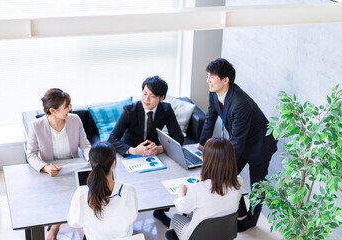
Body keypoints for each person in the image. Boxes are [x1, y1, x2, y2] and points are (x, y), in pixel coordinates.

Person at [197, 58, 278, 232]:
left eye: (212, 76)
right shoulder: (214, 93)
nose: (208, 80)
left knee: (257, 186)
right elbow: (210, 118)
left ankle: (251, 221)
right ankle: (240, 214)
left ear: (225, 80)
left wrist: (219, 162)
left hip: (259, 146)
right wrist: (203, 145)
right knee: (225, 174)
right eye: (208, 76)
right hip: (241, 141)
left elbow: (237, 141)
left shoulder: (241, 103)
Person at [108, 75, 184, 227]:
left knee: (167, 175)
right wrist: (133, 150)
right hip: (131, 153)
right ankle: (124, 215)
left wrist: (161, 148)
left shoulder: (166, 109)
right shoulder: (130, 110)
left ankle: (160, 211)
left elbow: (178, 137)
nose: (146, 99)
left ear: (161, 98)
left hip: (153, 152)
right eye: (144, 93)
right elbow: (112, 139)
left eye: (152, 96)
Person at [26, 88, 91, 240]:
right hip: (52, 171)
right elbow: (31, 154)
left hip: (74, 166)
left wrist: (91, 160)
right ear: (53, 111)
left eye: (69, 105)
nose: (70, 109)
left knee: (84, 195)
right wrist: (45, 167)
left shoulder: (75, 119)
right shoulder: (36, 125)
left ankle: (84, 229)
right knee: (60, 199)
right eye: (66, 106)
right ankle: (54, 228)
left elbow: (85, 145)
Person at [169, 137, 243, 240]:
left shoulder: (197, 189)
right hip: (224, 233)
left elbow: (182, 208)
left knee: (175, 218)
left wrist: (181, 193)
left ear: (205, 159)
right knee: (192, 214)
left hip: (197, 236)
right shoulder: (239, 182)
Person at [67, 141, 138, 239]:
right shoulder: (129, 191)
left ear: (90, 163)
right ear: (113, 163)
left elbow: (73, 222)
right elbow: (132, 217)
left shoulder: (82, 194)